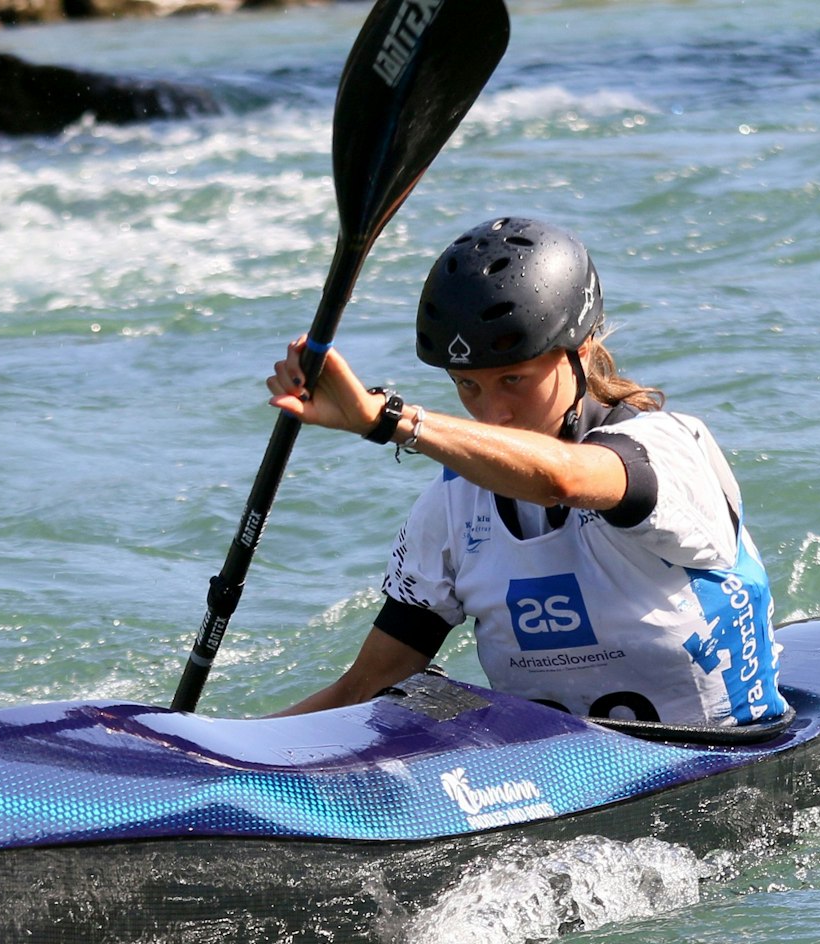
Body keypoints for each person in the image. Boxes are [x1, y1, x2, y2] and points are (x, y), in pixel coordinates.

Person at [266, 216, 782, 726]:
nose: (493, 414)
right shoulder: (451, 506)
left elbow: (564, 480)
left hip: (722, 754)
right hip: (561, 766)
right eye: (468, 385)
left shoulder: (668, 447)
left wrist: (389, 420)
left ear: (581, 351)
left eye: (513, 379)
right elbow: (362, 687)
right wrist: (226, 750)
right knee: (405, 701)